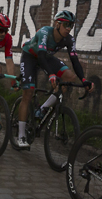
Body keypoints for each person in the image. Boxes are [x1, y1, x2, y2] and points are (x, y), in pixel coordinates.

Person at [14, 9, 93, 150]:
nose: (69, 29)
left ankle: (43, 108)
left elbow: (74, 60)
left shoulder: (69, 39)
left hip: (46, 57)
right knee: (28, 93)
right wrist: (51, 74)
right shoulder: (45, 32)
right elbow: (42, 56)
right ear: (57, 24)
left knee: (70, 77)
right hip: (31, 57)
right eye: (66, 25)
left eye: (71, 25)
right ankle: (21, 135)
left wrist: (84, 80)